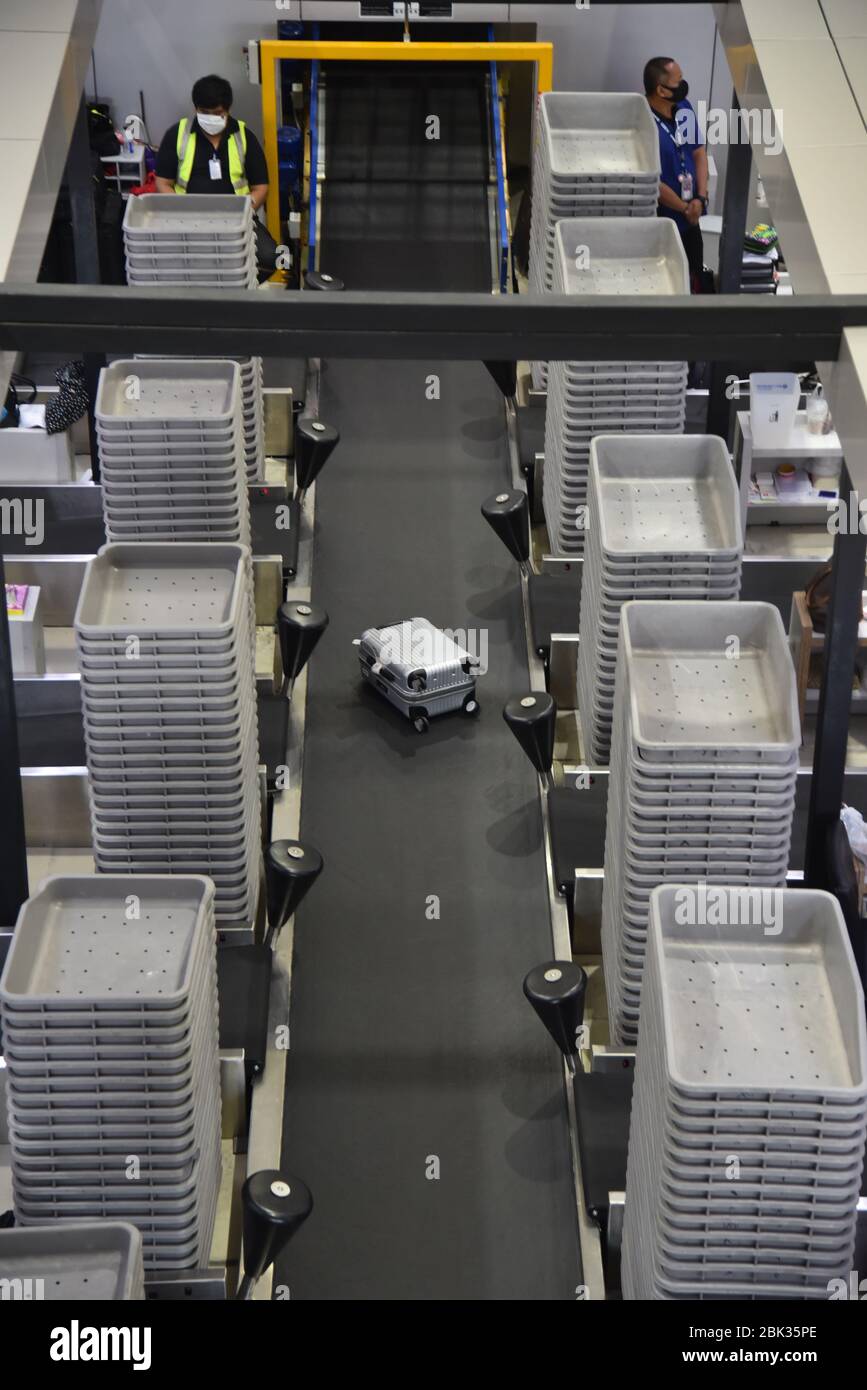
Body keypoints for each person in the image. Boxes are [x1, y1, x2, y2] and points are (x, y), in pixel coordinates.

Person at [154, 73, 277, 281]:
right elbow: (163, 182)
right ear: (195, 109)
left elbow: (261, 187)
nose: (211, 117)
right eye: (205, 112)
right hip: (188, 221)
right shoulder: (177, 135)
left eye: (217, 113)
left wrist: (245, 211)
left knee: (274, 257)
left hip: (237, 220)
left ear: (227, 110)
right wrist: (183, 210)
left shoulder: (244, 137)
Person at [643, 56, 709, 292]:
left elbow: (699, 153)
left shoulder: (684, 108)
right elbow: (650, 179)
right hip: (662, 217)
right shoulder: (643, 121)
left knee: (693, 274)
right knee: (665, 282)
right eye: (678, 81)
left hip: (692, 214)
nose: (683, 86)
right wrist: (683, 207)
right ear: (661, 90)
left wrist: (700, 199)